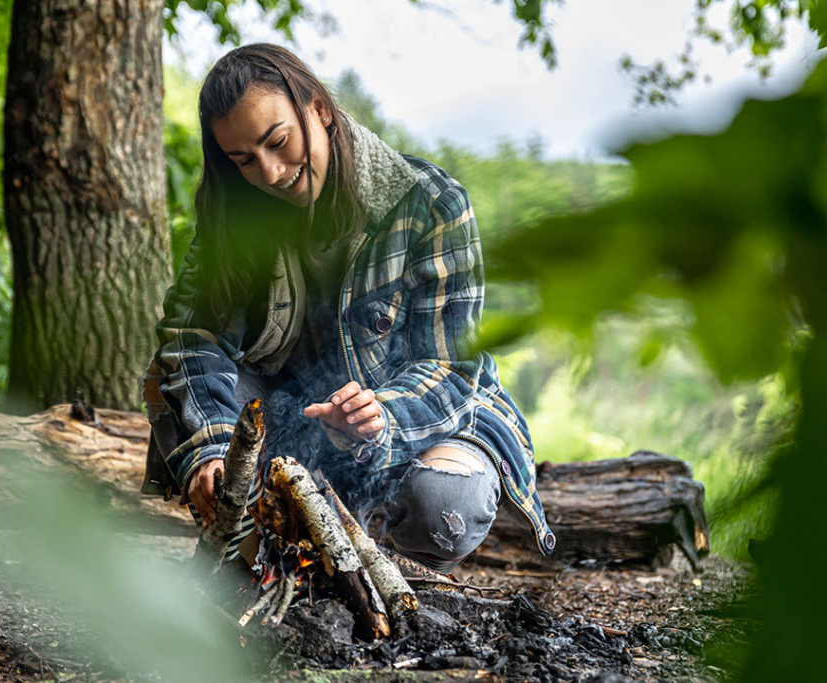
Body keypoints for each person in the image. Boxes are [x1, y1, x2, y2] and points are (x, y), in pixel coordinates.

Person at [141, 43, 555, 573]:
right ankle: (260, 559)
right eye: (244, 160)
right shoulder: (235, 219)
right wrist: (212, 449)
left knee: (441, 510)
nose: (269, 173)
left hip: (422, 420)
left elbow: (453, 369)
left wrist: (378, 417)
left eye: (278, 142)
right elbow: (192, 336)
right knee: (165, 380)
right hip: (296, 417)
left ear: (319, 107)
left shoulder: (433, 204)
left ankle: (398, 574)